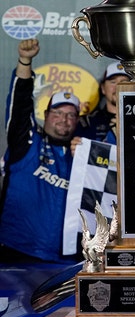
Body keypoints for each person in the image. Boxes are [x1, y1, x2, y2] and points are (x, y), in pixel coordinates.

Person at [0, 39, 80, 263]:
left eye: (71, 115)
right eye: (57, 113)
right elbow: (20, 106)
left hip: (66, 260)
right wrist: (25, 62)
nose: (64, 120)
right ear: (45, 114)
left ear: (77, 121)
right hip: (16, 251)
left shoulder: (84, 155)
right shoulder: (27, 141)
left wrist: (89, 158)